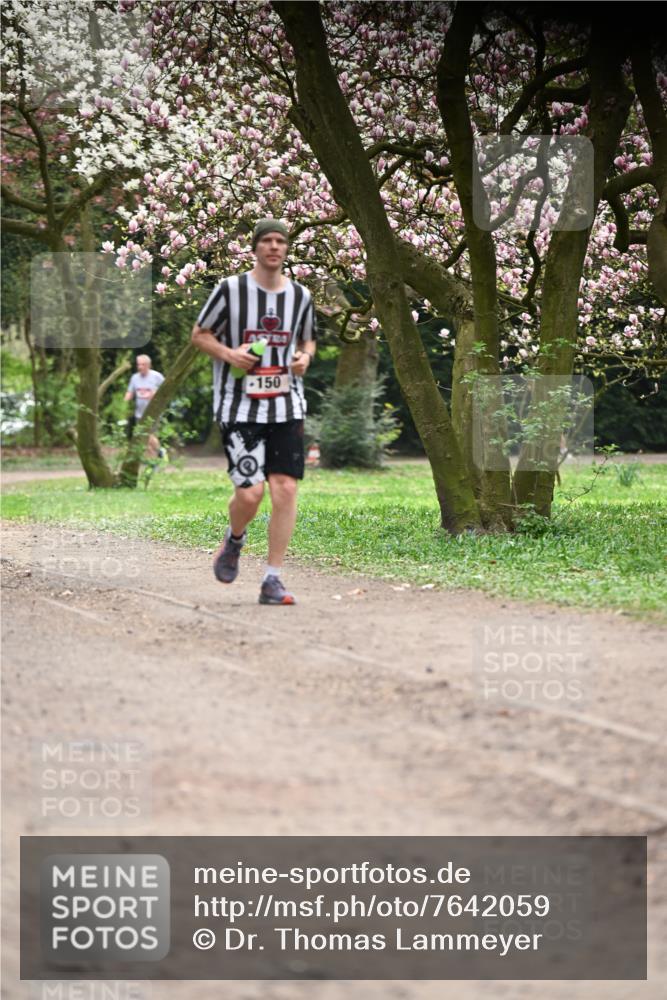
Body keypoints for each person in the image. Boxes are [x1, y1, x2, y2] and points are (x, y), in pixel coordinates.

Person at [191, 219, 317, 605]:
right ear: (255, 248)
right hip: (239, 406)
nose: (274, 247)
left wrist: (304, 358)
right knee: (250, 494)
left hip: (286, 405)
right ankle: (234, 540)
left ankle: (273, 578)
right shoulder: (230, 290)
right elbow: (199, 334)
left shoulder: (300, 295)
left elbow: (308, 340)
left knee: (285, 488)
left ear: (286, 249)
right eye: (267, 241)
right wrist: (230, 354)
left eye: (281, 241)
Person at [124, 354, 165, 458]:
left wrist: (156, 394)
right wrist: (126, 399)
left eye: (143, 364)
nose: (140, 367)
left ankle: (160, 453)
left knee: (148, 435)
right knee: (144, 438)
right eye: (138, 365)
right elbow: (130, 392)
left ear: (148, 365)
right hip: (139, 413)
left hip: (154, 412)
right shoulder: (135, 378)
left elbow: (166, 391)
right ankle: (154, 460)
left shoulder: (157, 376)